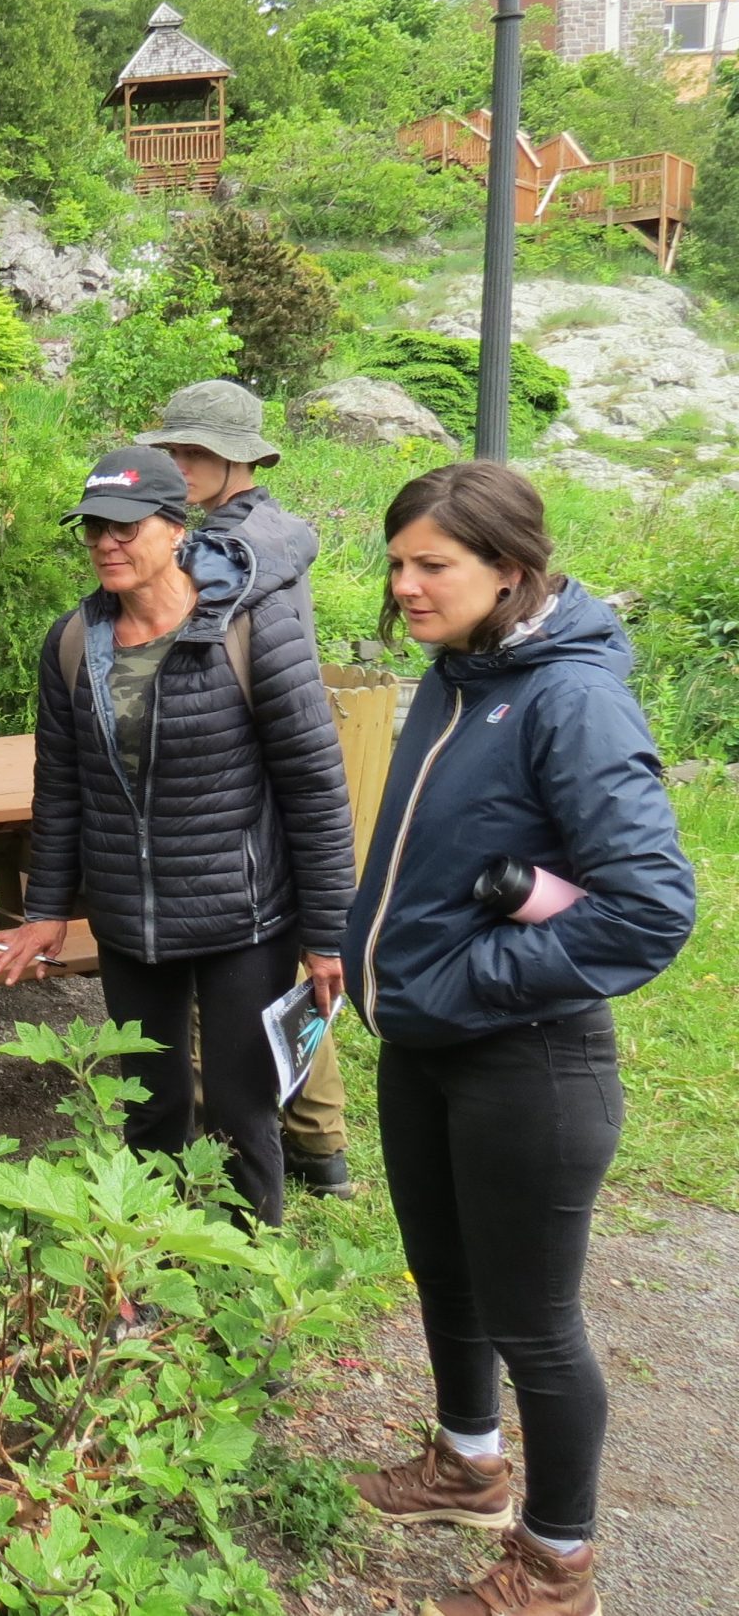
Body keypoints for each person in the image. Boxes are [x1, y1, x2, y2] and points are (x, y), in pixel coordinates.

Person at [341, 463, 693, 1616]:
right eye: (396, 562)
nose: (404, 586)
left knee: (534, 1324)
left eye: (430, 565)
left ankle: (555, 1562)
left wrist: (464, 976)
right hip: (425, 1044)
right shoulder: (457, 673)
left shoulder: (568, 698)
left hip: (525, 1060)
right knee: (445, 1273)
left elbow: (648, 904)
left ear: (507, 568)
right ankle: (465, 1464)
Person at [0, 448, 356, 1231]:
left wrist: (328, 936)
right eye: (93, 528)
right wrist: (44, 909)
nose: (105, 543)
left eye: (124, 527)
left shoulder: (254, 629)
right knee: (149, 1107)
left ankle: (247, 1274)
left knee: (241, 1110)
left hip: (241, 917)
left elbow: (315, 787)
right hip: (129, 919)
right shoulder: (74, 642)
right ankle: (148, 1265)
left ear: (177, 528)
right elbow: (62, 787)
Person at [138, 377, 354, 1199]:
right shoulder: (274, 532)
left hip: (244, 794)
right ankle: (322, 1148)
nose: (181, 464)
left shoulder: (227, 554)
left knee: (235, 999)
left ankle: (239, 1172)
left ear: (240, 462)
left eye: (197, 452)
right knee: (282, 984)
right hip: (273, 779)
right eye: (175, 450)